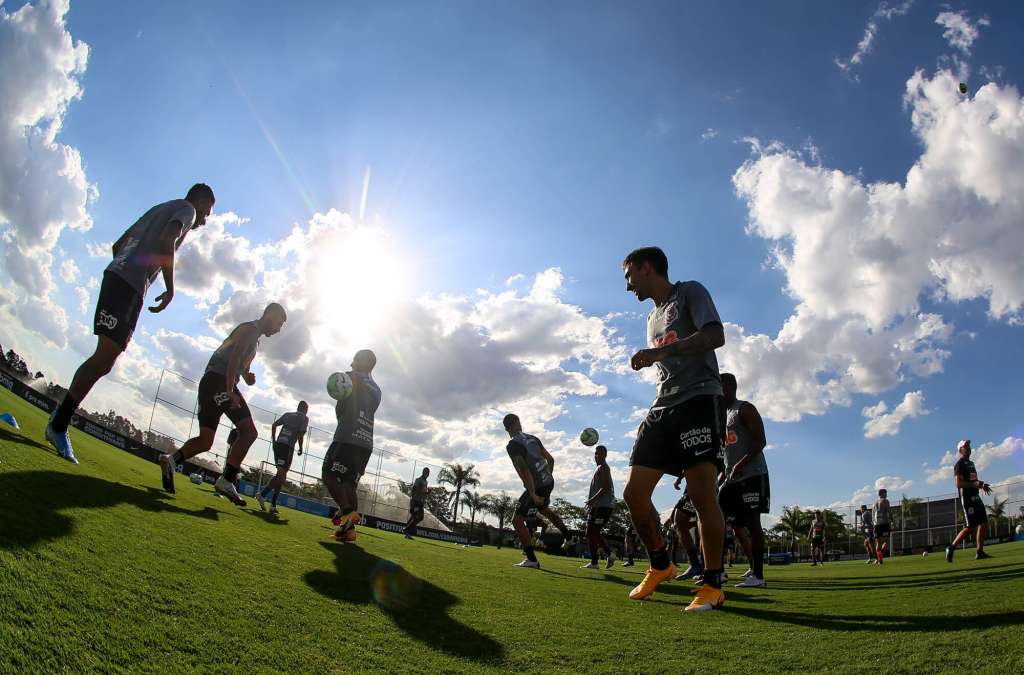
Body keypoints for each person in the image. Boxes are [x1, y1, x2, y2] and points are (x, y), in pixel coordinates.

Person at [45, 184, 215, 464]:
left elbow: (118, 245)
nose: (204, 219)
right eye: (206, 211)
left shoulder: (158, 209)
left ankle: (59, 418)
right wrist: (169, 288)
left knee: (104, 358)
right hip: (129, 285)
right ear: (199, 199)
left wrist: (127, 268)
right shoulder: (186, 210)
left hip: (117, 276)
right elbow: (168, 240)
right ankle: (59, 424)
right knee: (105, 357)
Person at [621, 246, 728, 612]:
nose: (628, 285)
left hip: (699, 399)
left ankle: (712, 585)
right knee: (634, 495)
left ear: (647, 268)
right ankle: (660, 565)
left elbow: (715, 336)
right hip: (663, 406)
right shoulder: (651, 318)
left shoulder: (690, 292)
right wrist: (655, 357)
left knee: (701, 496)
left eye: (630, 276)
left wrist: (661, 353)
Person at [159, 303, 288, 504]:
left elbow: (238, 361)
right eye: (279, 323)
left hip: (209, 382)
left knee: (206, 440)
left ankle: (171, 460)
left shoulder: (253, 337)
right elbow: (233, 357)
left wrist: (246, 376)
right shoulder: (251, 330)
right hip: (220, 381)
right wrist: (229, 389)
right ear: (270, 315)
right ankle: (227, 480)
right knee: (249, 432)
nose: (279, 329)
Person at [502, 414, 576, 569]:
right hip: (549, 482)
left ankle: (532, 560)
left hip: (536, 487)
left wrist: (533, 494)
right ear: (518, 423)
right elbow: (551, 460)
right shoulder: (533, 438)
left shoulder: (513, 445)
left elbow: (524, 469)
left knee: (517, 520)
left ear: (506, 428)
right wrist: (547, 477)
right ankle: (569, 537)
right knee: (544, 510)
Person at [716, 372, 769, 587]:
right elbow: (727, 453)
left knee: (753, 523)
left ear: (729, 387)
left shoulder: (744, 409)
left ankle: (758, 575)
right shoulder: (723, 416)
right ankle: (717, 571)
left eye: (719, 387)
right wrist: (723, 474)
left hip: (752, 475)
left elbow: (760, 442)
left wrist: (740, 464)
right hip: (731, 479)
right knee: (716, 518)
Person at [323, 350, 382, 542]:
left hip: (347, 437)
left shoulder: (348, 378)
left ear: (363, 362)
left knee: (329, 476)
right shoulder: (377, 390)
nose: (351, 364)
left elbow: (340, 406)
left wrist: (341, 405)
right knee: (349, 485)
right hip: (366, 442)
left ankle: (348, 513)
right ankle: (348, 532)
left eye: (355, 360)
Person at [257, 401, 309, 514]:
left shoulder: (287, 415)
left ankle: (273, 505)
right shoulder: (304, 418)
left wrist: (274, 440)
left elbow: (274, 425)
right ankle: (262, 494)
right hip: (287, 447)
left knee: (282, 476)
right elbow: (300, 434)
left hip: (279, 445)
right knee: (281, 475)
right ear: (305, 410)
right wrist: (301, 448)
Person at [946, 440, 993, 562]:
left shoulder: (971, 463)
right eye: (965, 446)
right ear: (960, 450)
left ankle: (979, 552)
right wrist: (975, 484)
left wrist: (981, 485)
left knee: (983, 523)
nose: (968, 448)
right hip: (967, 499)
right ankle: (951, 547)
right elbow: (958, 484)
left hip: (976, 497)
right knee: (970, 527)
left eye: (969, 446)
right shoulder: (960, 464)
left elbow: (973, 481)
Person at [582, 445, 617, 569]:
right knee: (589, 533)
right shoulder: (599, 468)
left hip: (603, 506)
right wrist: (592, 503)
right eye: (596, 453)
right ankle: (595, 562)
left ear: (605, 455)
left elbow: (606, 487)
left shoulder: (604, 468)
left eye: (600, 454)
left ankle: (609, 554)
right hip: (597, 506)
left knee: (593, 532)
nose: (597, 456)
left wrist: (592, 500)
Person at [670, 481, 703, 581]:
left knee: (703, 524)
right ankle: (696, 564)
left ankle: (712, 568)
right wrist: (679, 479)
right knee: (678, 522)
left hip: (700, 484)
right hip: (691, 487)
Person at [405, 467, 431, 539]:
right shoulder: (418, 480)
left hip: (420, 502)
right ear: (423, 472)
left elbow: (423, 492)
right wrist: (413, 501)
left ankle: (407, 530)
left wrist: (428, 492)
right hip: (416, 501)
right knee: (415, 516)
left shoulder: (426, 482)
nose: (427, 474)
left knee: (419, 517)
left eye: (428, 473)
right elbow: (414, 489)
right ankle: (407, 532)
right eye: (426, 472)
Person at [872, 489, 891, 564]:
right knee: (886, 541)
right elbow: (889, 511)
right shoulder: (885, 501)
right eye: (885, 493)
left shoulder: (874, 503)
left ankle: (878, 559)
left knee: (878, 543)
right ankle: (880, 556)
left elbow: (873, 515)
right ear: (882, 494)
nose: (886, 494)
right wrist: (892, 521)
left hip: (876, 525)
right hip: (884, 523)